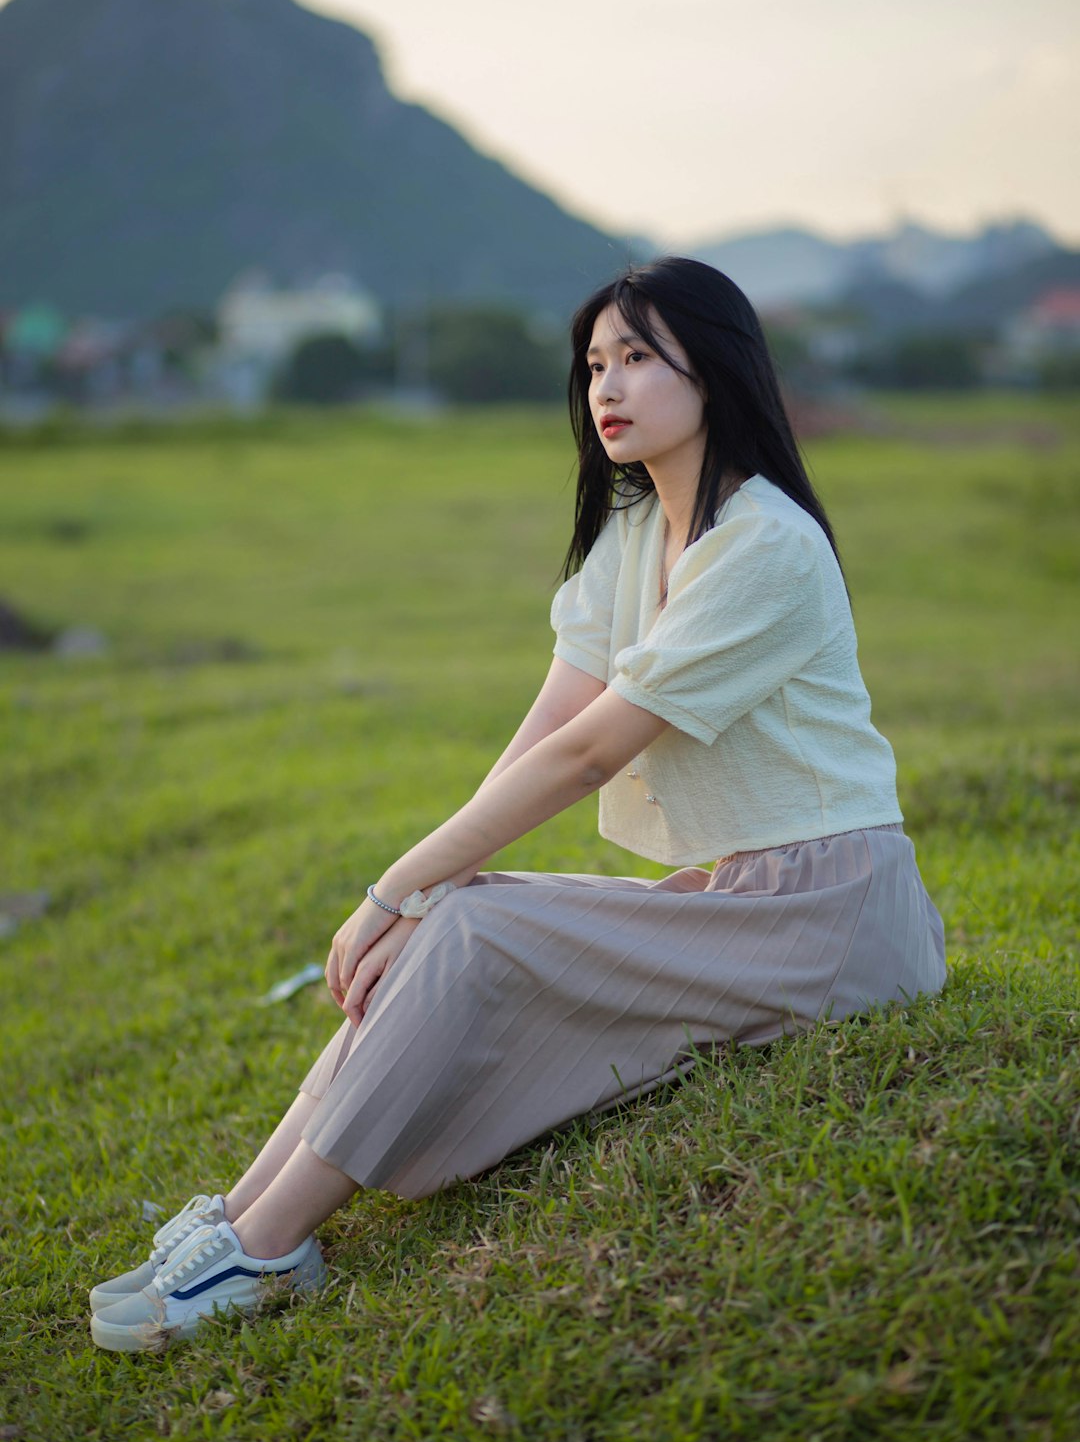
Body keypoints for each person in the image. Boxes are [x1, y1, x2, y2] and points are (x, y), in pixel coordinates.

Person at [88, 257, 946, 1353]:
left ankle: (269, 1253)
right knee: (454, 920)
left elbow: (590, 756)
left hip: (833, 917)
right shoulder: (634, 534)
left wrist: (395, 881)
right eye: (595, 362)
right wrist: (428, 884)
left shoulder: (766, 546)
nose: (608, 387)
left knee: (475, 931)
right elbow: (547, 725)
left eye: (638, 356)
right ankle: (244, 1215)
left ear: (715, 371)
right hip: (747, 893)